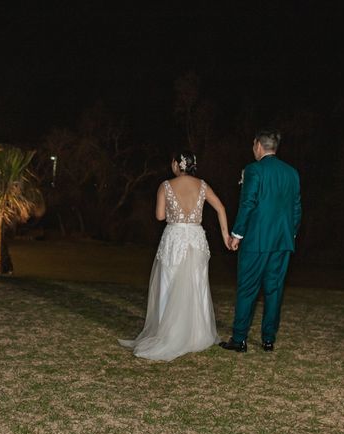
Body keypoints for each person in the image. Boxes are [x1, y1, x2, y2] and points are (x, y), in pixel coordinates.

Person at [119, 151, 231, 361]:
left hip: (175, 237)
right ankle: (198, 334)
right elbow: (220, 208)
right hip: (196, 237)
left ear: (176, 164)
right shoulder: (203, 185)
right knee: (197, 283)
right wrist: (225, 236)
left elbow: (160, 216)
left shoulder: (166, 185)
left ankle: (168, 333)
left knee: (169, 284)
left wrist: (173, 213)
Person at [220, 130, 301, 353]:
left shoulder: (254, 170)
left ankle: (239, 339)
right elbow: (296, 209)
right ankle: (268, 340)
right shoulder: (292, 173)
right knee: (274, 290)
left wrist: (237, 234)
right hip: (282, 242)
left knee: (247, 289)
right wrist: (290, 234)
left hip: (256, 241)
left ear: (258, 146)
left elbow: (248, 203)